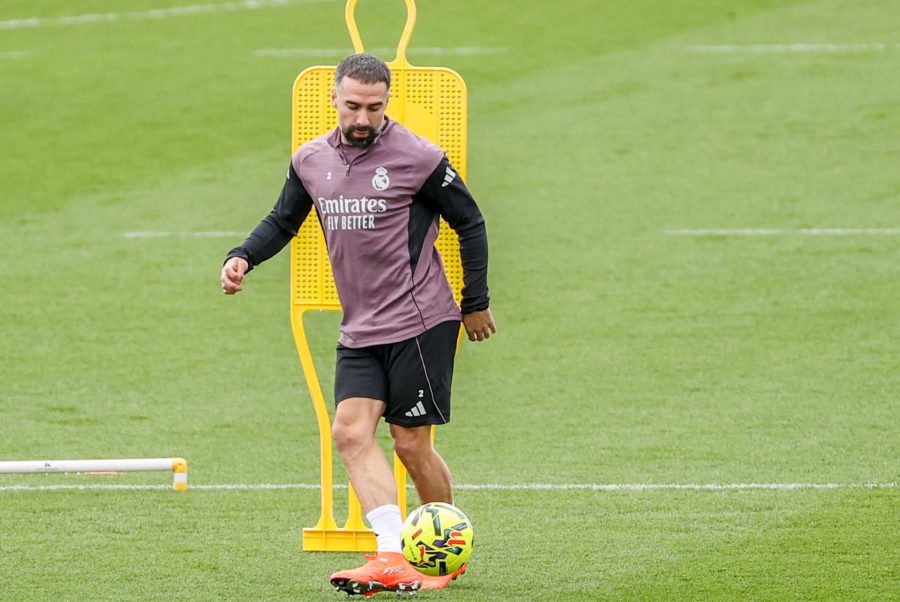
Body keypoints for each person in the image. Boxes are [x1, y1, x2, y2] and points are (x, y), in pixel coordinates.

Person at [220, 53, 495, 596]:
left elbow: (470, 220)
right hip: (360, 327)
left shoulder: (418, 156)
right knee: (349, 432)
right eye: (352, 106)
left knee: (410, 445)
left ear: (387, 101)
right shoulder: (310, 159)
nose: (363, 118)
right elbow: (283, 219)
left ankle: (446, 554)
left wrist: (475, 302)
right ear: (334, 99)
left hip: (421, 321)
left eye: (374, 107)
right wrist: (243, 256)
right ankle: (391, 553)